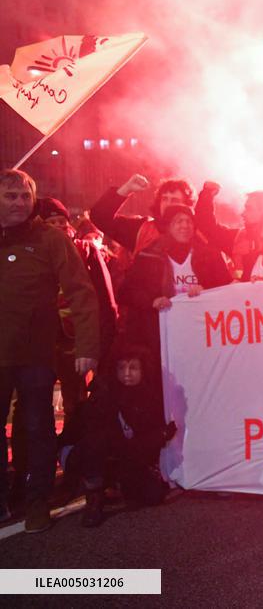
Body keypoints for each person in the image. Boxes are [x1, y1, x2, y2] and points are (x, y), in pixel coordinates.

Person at [0, 169, 100, 532]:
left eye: (24, 196)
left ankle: (37, 501)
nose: (18, 203)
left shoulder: (50, 239)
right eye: (10, 196)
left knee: (38, 427)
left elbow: (81, 291)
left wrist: (87, 345)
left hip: (36, 355)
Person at [59, 343, 176, 527]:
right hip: (86, 455)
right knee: (98, 443)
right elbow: (99, 441)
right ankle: (94, 496)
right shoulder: (103, 396)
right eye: (121, 368)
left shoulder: (150, 397)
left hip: (124, 454)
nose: (127, 373)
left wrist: (158, 436)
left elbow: (139, 444)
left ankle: (115, 483)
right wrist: (158, 437)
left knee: (152, 495)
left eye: (133, 368)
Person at [35, 197, 119, 415]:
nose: (58, 226)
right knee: (34, 399)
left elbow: (105, 296)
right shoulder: (32, 252)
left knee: (76, 398)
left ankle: (73, 435)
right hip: (40, 337)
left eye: (61, 221)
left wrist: (104, 334)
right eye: (51, 222)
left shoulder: (86, 250)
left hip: (74, 336)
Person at [118, 205, 232, 359]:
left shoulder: (210, 255)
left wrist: (207, 290)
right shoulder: (148, 256)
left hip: (202, 333)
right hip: (160, 336)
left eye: (189, 221)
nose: (185, 225)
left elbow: (227, 288)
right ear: (167, 226)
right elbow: (125, 292)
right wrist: (152, 301)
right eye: (178, 221)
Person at [90, 174, 195, 254]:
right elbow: (99, 217)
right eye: (164, 199)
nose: (168, 204)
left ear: (187, 206)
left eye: (174, 200)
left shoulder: (196, 233)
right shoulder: (142, 230)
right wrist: (127, 188)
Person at [195, 184, 263, 276]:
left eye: (248, 209)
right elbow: (208, 228)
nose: (243, 213)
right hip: (242, 286)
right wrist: (207, 195)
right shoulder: (238, 239)